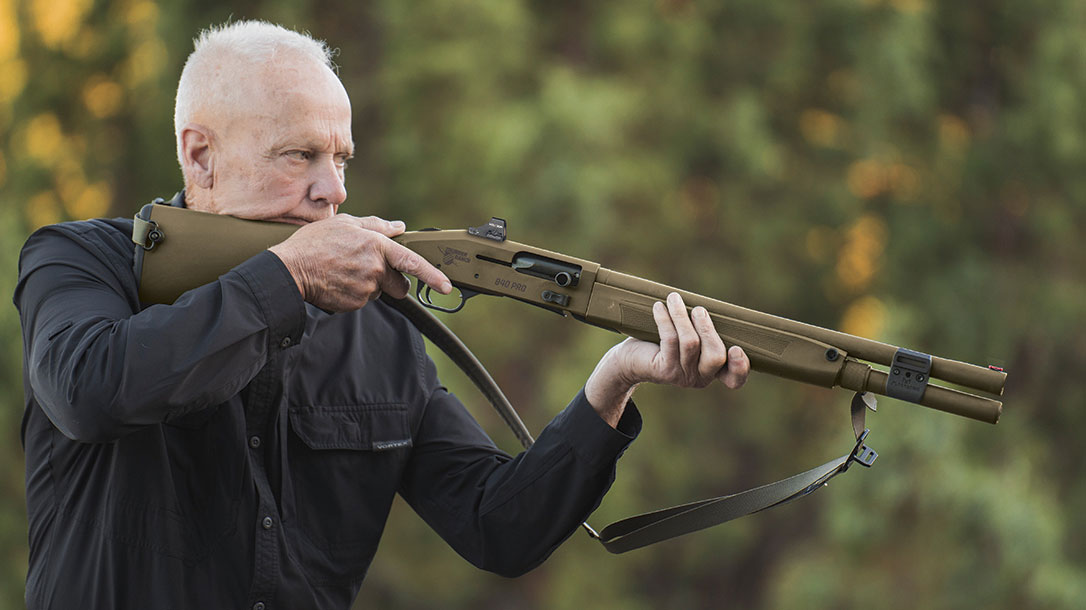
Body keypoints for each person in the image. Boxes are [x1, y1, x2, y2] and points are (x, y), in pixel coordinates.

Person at [14, 20, 750, 610]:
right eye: (300, 156)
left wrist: (614, 382)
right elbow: (91, 390)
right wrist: (289, 276)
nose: (331, 191)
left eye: (342, 158)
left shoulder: (377, 325)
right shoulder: (81, 262)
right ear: (199, 157)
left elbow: (497, 527)